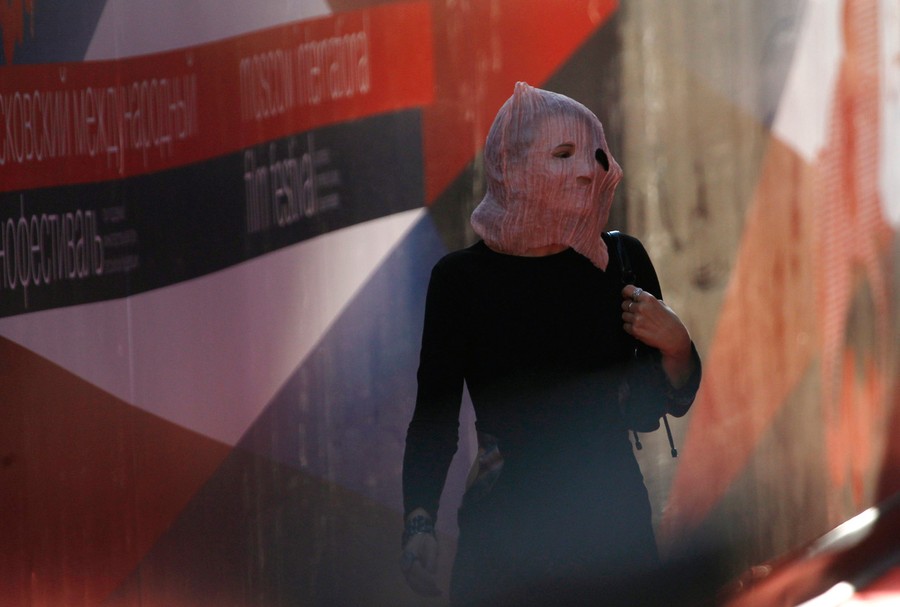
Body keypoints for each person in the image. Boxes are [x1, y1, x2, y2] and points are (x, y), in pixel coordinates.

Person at [400, 82, 702, 606]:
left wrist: (678, 349)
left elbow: (650, 408)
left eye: (595, 155)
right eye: (563, 154)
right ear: (511, 167)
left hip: (614, 534)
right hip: (506, 541)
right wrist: (419, 522)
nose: (587, 170)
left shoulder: (621, 261)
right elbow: (435, 417)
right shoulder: (461, 280)